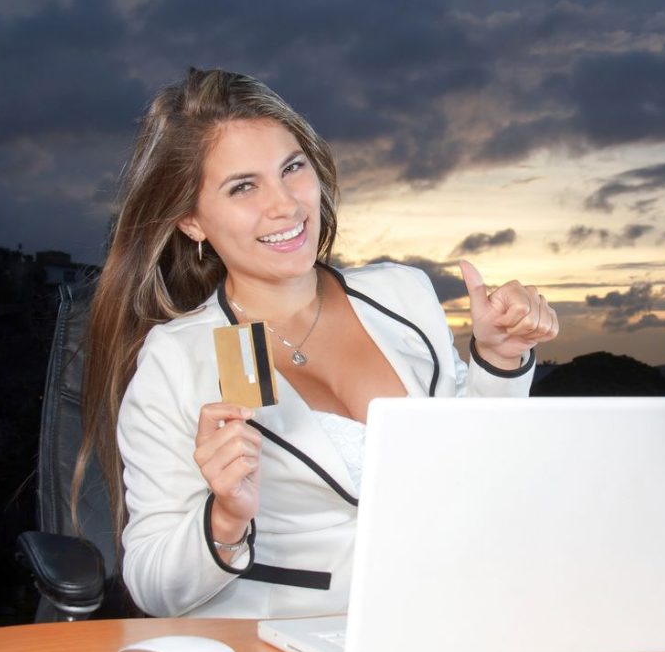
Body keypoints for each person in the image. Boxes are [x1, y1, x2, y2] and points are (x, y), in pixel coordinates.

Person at [75, 67, 558, 619]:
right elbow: (152, 585)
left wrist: (498, 360)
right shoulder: (177, 359)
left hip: (441, 616)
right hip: (278, 645)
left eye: (292, 168)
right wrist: (225, 520)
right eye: (243, 187)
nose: (285, 205)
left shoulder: (403, 294)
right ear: (191, 220)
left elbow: (472, 461)